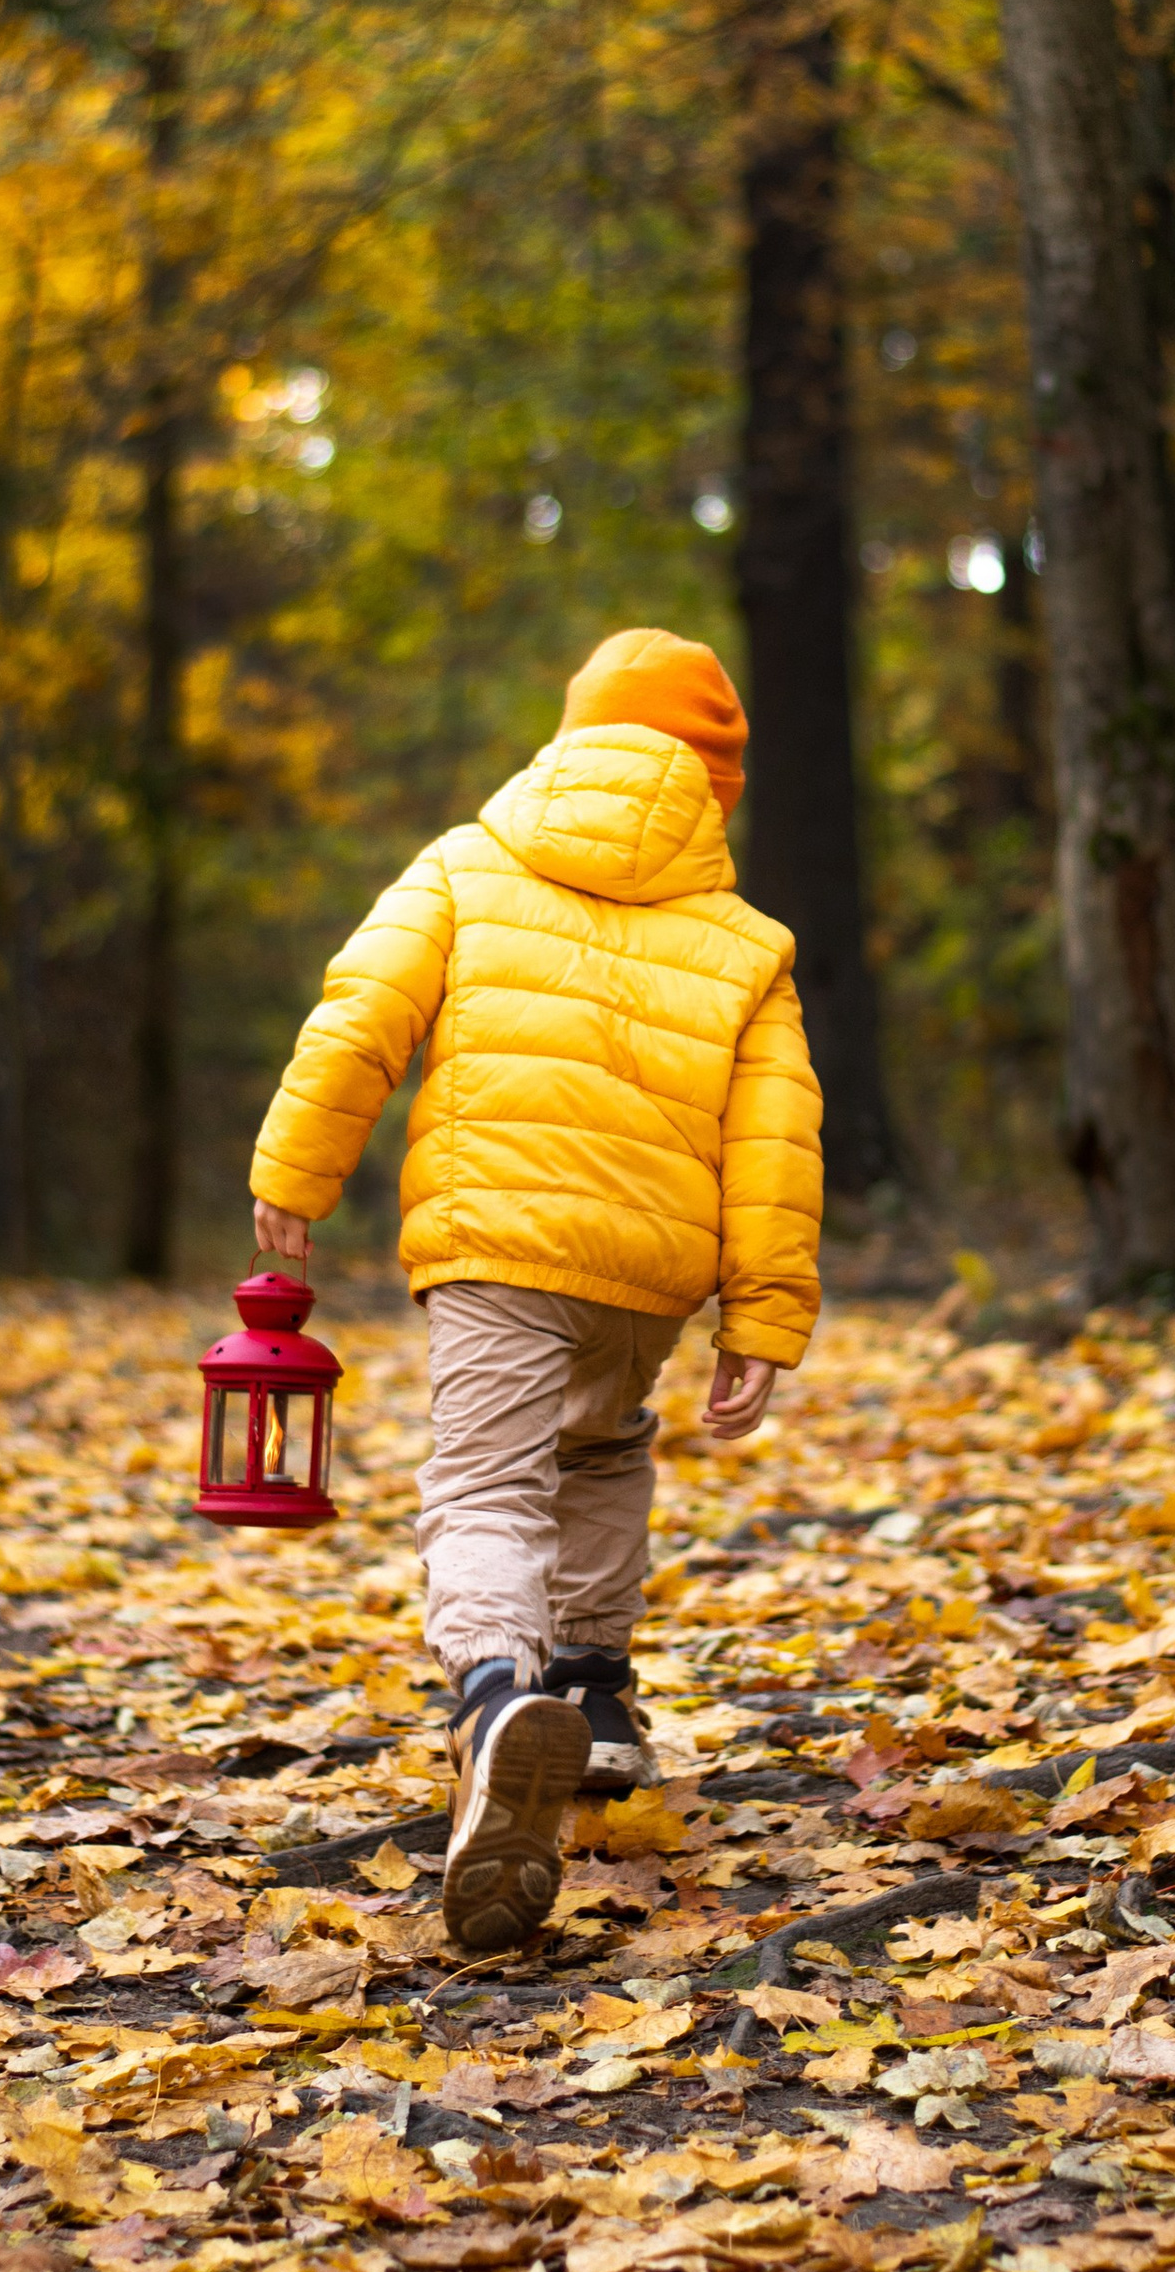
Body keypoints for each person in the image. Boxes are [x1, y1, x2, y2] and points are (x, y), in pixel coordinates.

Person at [248, 627, 823, 1958]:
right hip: (650, 1273)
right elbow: (776, 1137)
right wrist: (764, 1313)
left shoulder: (466, 863)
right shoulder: (748, 942)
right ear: (714, 789)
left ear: (572, 740)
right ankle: (596, 1696)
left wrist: (296, 1171)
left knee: (488, 1487)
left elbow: (361, 1015)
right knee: (605, 1451)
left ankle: (498, 1695)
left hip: (496, 1240)